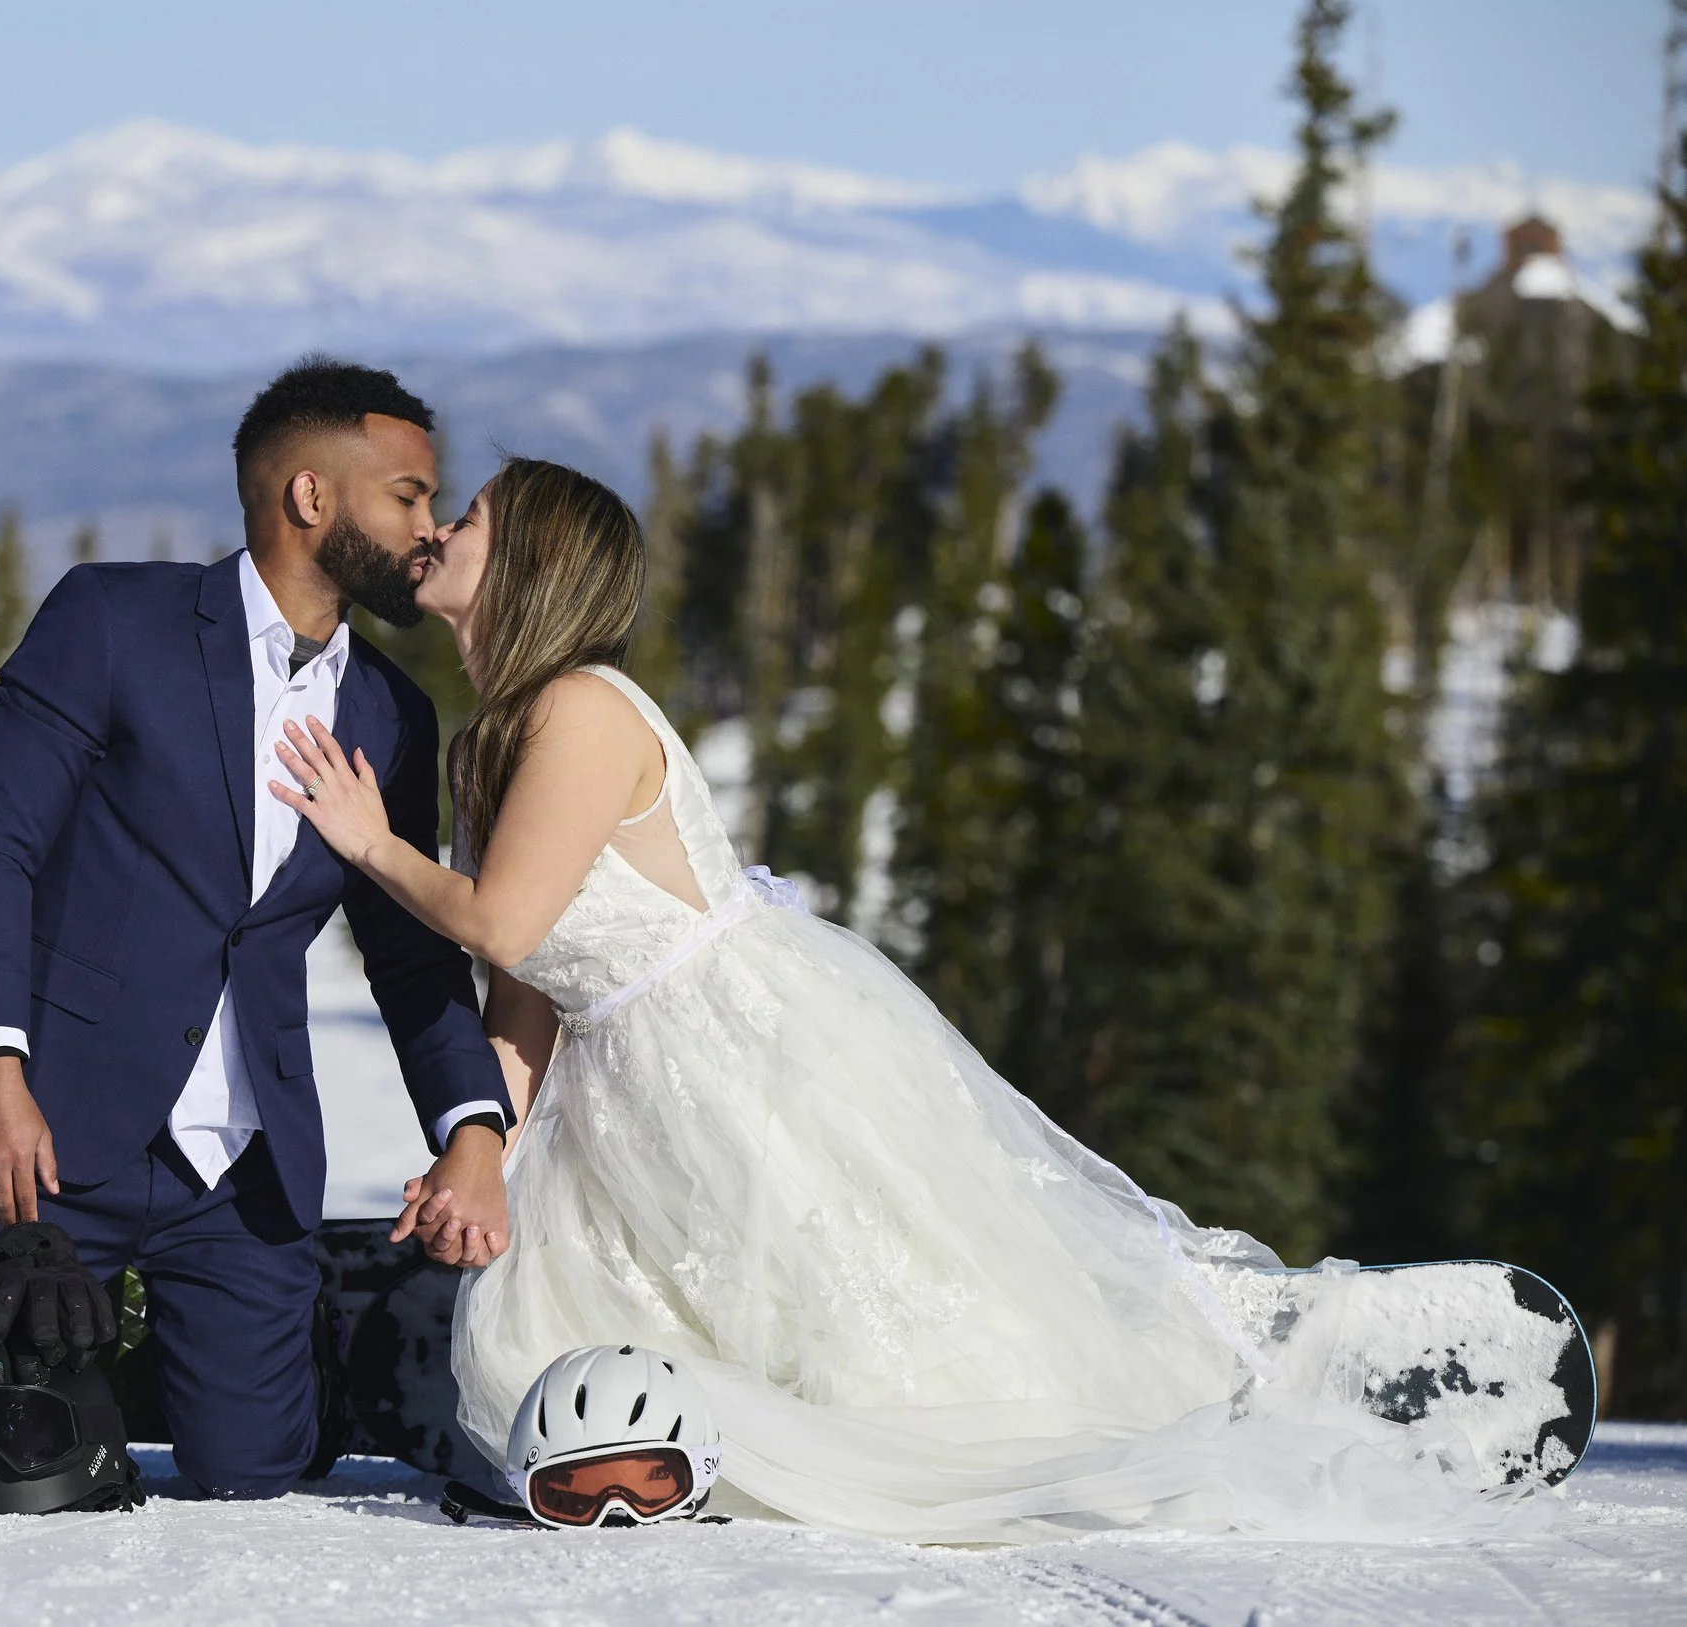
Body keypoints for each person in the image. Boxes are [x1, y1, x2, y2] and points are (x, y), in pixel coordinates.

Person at [269, 456, 1548, 1542]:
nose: (441, 528)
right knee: (612, 1320)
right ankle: (646, 1461)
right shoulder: (502, 728)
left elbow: (499, 921)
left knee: (882, 1329)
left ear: (533, 560)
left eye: (474, 515)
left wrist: (372, 845)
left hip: (738, 1052)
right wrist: (485, 1141)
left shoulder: (581, 709)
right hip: (631, 1083)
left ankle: (1280, 1374)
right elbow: (529, 982)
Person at [0, 359, 514, 1500]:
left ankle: (125, 1374)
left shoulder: (391, 716)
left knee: (256, 1472)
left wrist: (472, 1124)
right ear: (310, 497)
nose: (428, 525)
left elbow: (410, 953)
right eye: (408, 495)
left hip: (244, 1168)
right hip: (52, 1132)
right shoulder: (115, 621)